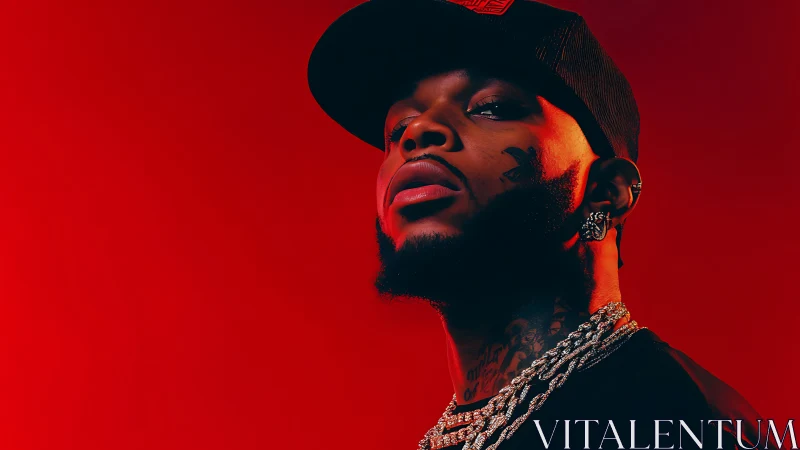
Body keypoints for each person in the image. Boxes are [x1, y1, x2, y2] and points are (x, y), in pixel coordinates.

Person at [308, 1, 766, 449]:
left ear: (607, 191)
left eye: (491, 107)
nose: (417, 132)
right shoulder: (479, 426)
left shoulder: (665, 419)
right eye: (397, 129)